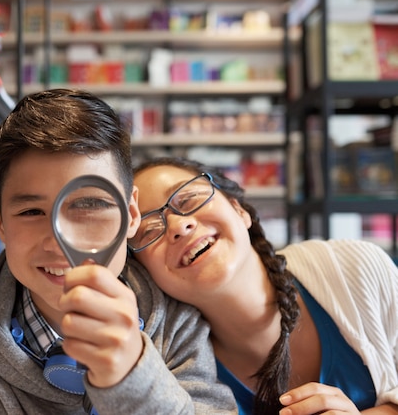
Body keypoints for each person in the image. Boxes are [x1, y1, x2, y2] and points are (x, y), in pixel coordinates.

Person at [0, 89, 237, 414]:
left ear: (131, 213)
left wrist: (133, 377)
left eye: (90, 204)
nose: (58, 241)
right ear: (0, 220)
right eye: (31, 212)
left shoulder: (177, 318)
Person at [128, 156, 398, 415]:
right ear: (146, 275)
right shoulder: (166, 366)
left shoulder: (353, 269)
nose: (179, 225)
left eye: (188, 199)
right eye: (149, 231)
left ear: (239, 209)